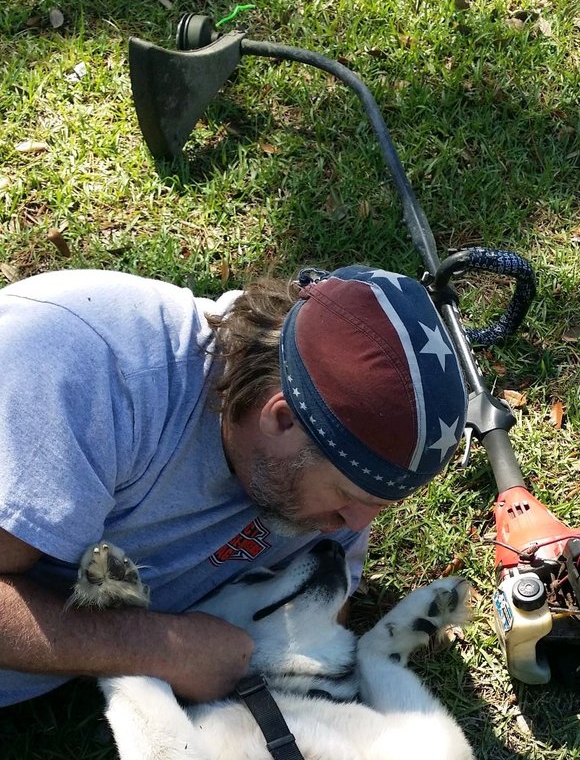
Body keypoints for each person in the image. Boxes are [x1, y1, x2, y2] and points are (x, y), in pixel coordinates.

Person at [0, 264, 467, 707]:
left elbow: (319, 621)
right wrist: (160, 648)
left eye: (380, 506)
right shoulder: (90, 378)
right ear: (282, 419)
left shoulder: (327, 463)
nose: (352, 527)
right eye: (349, 497)